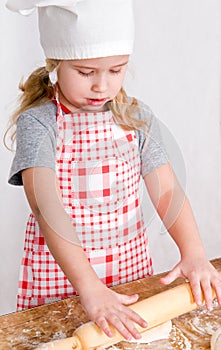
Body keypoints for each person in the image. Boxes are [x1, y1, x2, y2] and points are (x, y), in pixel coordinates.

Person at [5, 0, 221, 342]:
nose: (102, 87)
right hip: (64, 283)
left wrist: (193, 252)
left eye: (116, 70)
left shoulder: (134, 116)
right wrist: (89, 289)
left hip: (128, 274)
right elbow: (48, 207)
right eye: (86, 72)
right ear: (56, 64)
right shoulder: (40, 123)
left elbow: (166, 191)